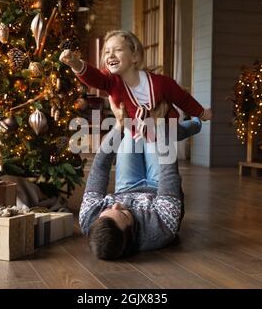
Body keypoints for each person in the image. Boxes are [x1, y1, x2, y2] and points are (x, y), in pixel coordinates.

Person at [60, 30, 212, 192]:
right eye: (106, 51)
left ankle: (195, 124)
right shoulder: (111, 81)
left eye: (118, 50)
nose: (110, 55)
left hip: (164, 126)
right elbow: (94, 77)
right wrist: (75, 63)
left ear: (135, 57)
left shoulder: (161, 83)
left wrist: (202, 113)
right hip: (134, 130)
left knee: (180, 131)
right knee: (139, 146)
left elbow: (183, 99)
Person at [79, 98, 184, 260]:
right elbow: (169, 172)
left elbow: (99, 168)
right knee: (151, 128)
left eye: (108, 211)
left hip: (126, 186)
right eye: (124, 214)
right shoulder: (161, 227)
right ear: (133, 233)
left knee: (129, 129)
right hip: (159, 187)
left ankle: (137, 98)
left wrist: (118, 126)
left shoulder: (89, 216)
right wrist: (160, 125)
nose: (117, 204)